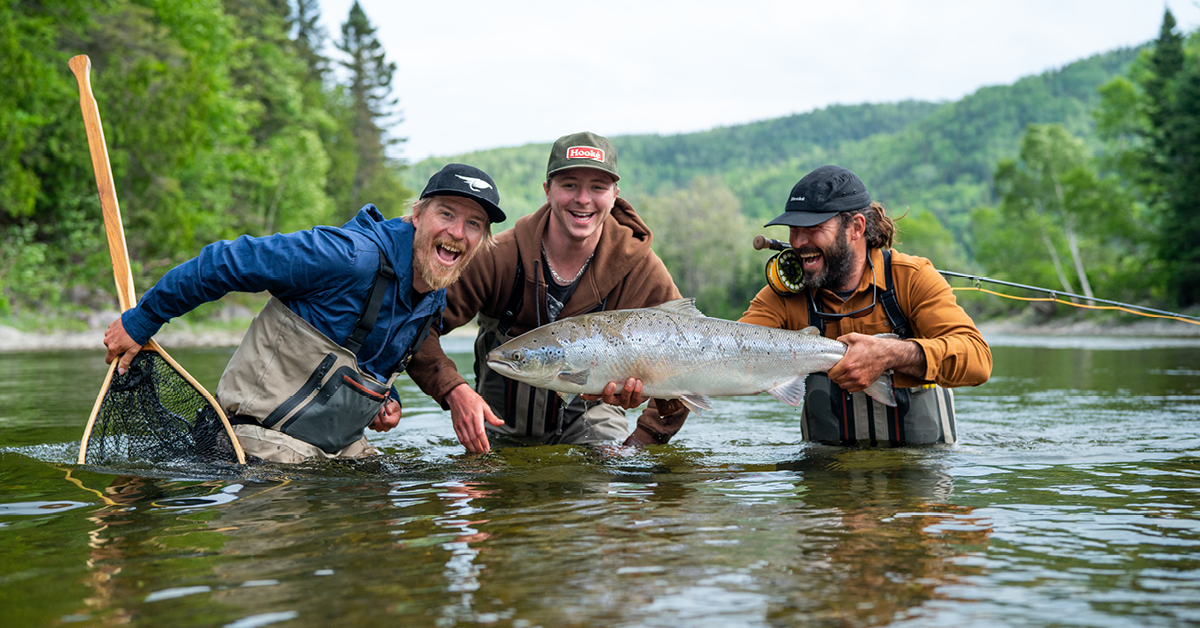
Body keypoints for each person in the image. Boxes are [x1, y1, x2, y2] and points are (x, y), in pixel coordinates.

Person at [102, 164, 506, 463]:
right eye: (447, 214)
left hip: (337, 450)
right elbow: (223, 261)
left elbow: (370, 349)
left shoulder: (435, 290)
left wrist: (384, 396)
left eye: (474, 223)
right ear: (417, 216)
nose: (458, 232)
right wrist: (143, 320)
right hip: (255, 445)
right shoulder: (345, 256)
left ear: (482, 240)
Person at [408, 131, 690, 453]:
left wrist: (638, 445)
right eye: (569, 185)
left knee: (604, 491)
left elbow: (690, 360)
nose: (583, 199)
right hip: (496, 428)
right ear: (547, 190)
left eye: (597, 187)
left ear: (614, 195)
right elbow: (416, 325)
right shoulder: (499, 257)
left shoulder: (639, 269)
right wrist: (452, 389)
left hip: (594, 426)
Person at [740, 165, 991, 445]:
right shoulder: (783, 295)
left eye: (813, 228)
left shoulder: (911, 278)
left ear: (856, 227)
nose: (798, 242)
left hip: (919, 472)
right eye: (793, 229)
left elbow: (978, 360)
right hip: (828, 477)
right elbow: (726, 353)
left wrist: (895, 354)